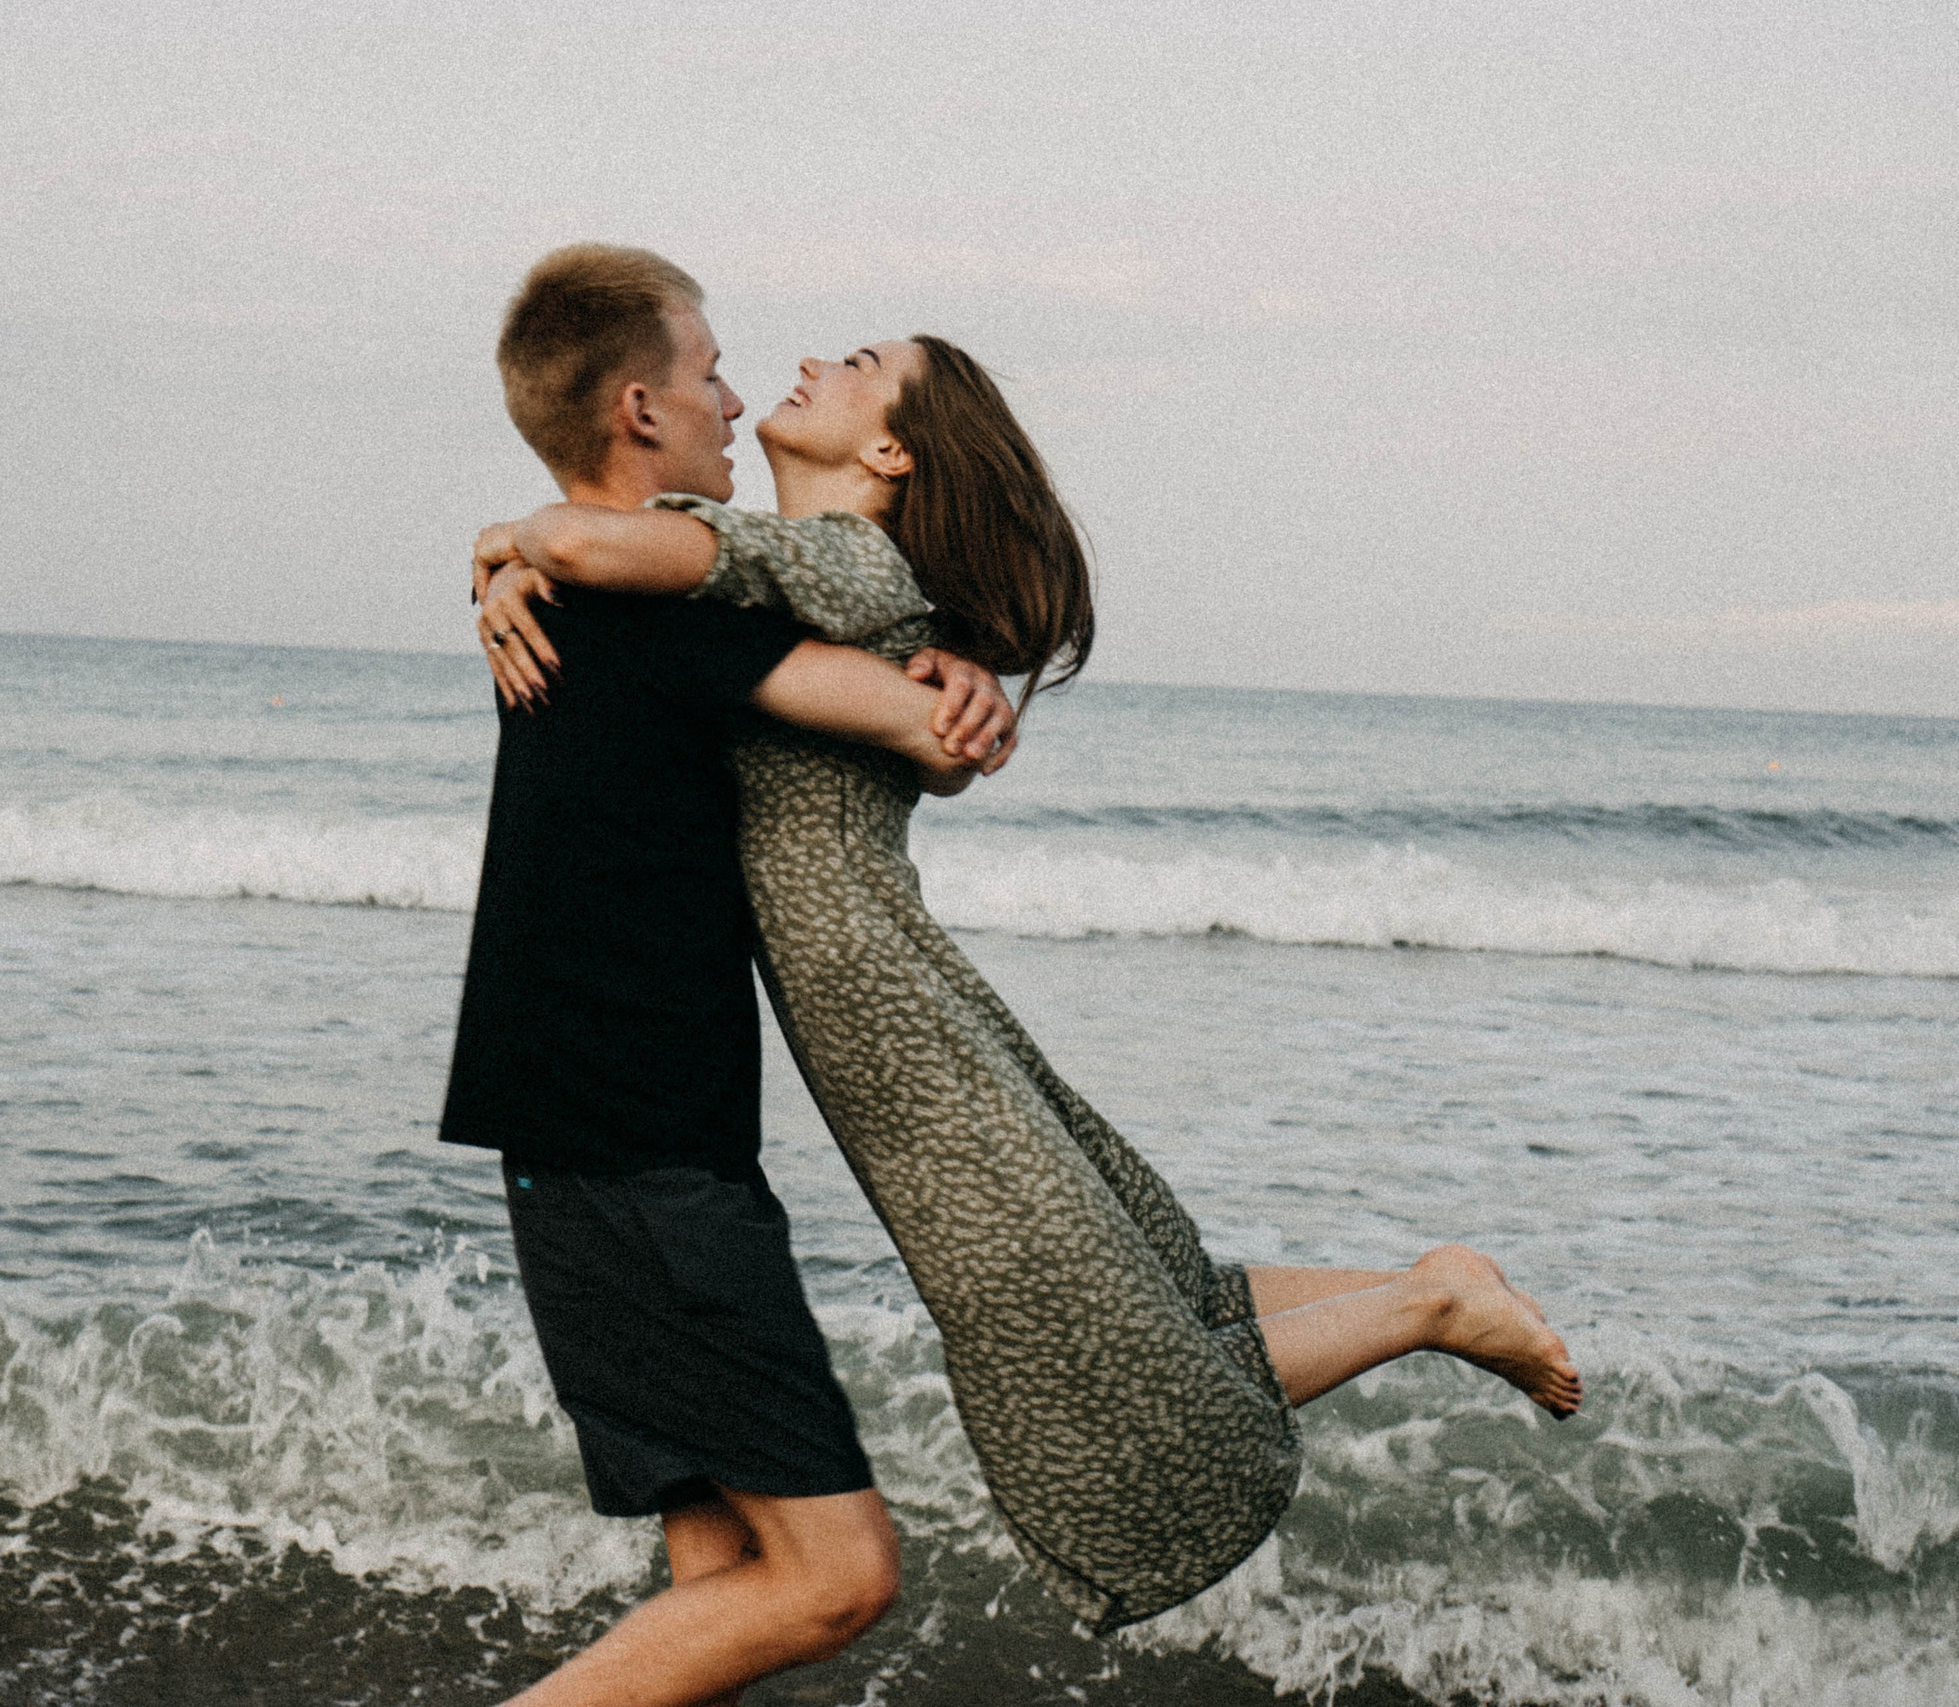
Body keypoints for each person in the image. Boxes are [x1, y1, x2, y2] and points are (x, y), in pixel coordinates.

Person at [474, 320, 1584, 1634]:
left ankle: (1427, 1302)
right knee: (1146, 1294)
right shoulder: (822, 592)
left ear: (888, 449)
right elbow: (651, 581)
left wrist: (515, 546)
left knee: (1090, 1374)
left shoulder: (835, 557)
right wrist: (506, 565)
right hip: (911, 1007)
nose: (814, 359)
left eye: (861, 363)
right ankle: (1432, 1286)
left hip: (897, 1041)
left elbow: (605, 545)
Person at [439, 246, 1022, 1707]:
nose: (737, 397)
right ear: (642, 409)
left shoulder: (584, 580)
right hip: (638, 1145)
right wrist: (956, 679)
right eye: (709, 375)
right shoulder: (651, 602)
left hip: (583, 1135)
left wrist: (507, 546)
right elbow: (926, 735)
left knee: (721, 1575)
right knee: (838, 1576)